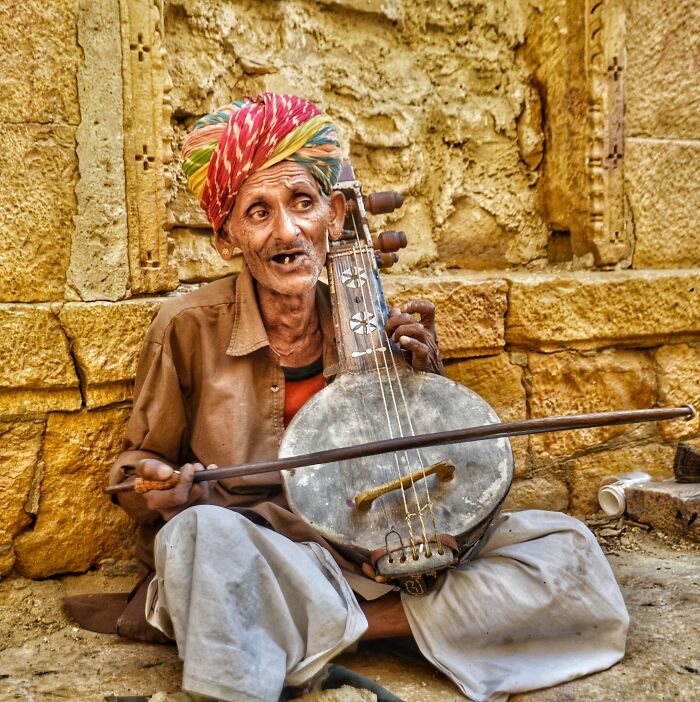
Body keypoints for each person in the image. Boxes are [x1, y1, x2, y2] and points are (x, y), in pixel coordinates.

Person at [103, 93, 628, 702]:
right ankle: (403, 629)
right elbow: (129, 473)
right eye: (258, 212)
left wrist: (427, 378)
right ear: (227, 238)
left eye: (304, 203)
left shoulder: (372, 326)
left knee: (570, 551)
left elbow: (424, 472)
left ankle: (336, 634)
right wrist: (161, 486)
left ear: (334, 215)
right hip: (272, 559)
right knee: (195, 540)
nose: (288, 230)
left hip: (373, 560)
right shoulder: (187, 327)